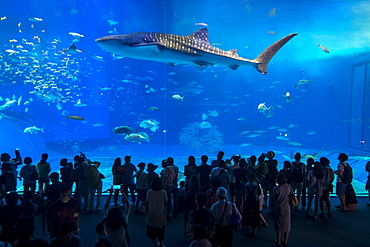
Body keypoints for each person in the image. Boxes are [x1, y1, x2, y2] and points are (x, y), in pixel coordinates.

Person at [146, 177, 168, 247]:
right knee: (161, 229)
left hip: (151, 212)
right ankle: (161, 244)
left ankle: (154, 243)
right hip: (160, 213)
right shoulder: (163, 192)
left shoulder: (149, 192)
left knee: (152, 228)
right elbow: (166, 200)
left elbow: (147, 201)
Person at [272, 173, 291, 246]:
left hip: (278, 208)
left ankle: (278, 240)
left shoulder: (276, 189)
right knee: (287, 223)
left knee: (278, 223)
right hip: (287, 207)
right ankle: (285, 240)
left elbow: (274, 199)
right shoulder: (288, 187)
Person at [242, 173, 263, 238]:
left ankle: (246, 231)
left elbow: (243, 195)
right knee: (255, 217)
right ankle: (254, 231)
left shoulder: (245, 186)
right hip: (255, 203)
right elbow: (259, 196)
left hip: (247, 203)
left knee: (246, 216)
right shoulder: (257, 186)